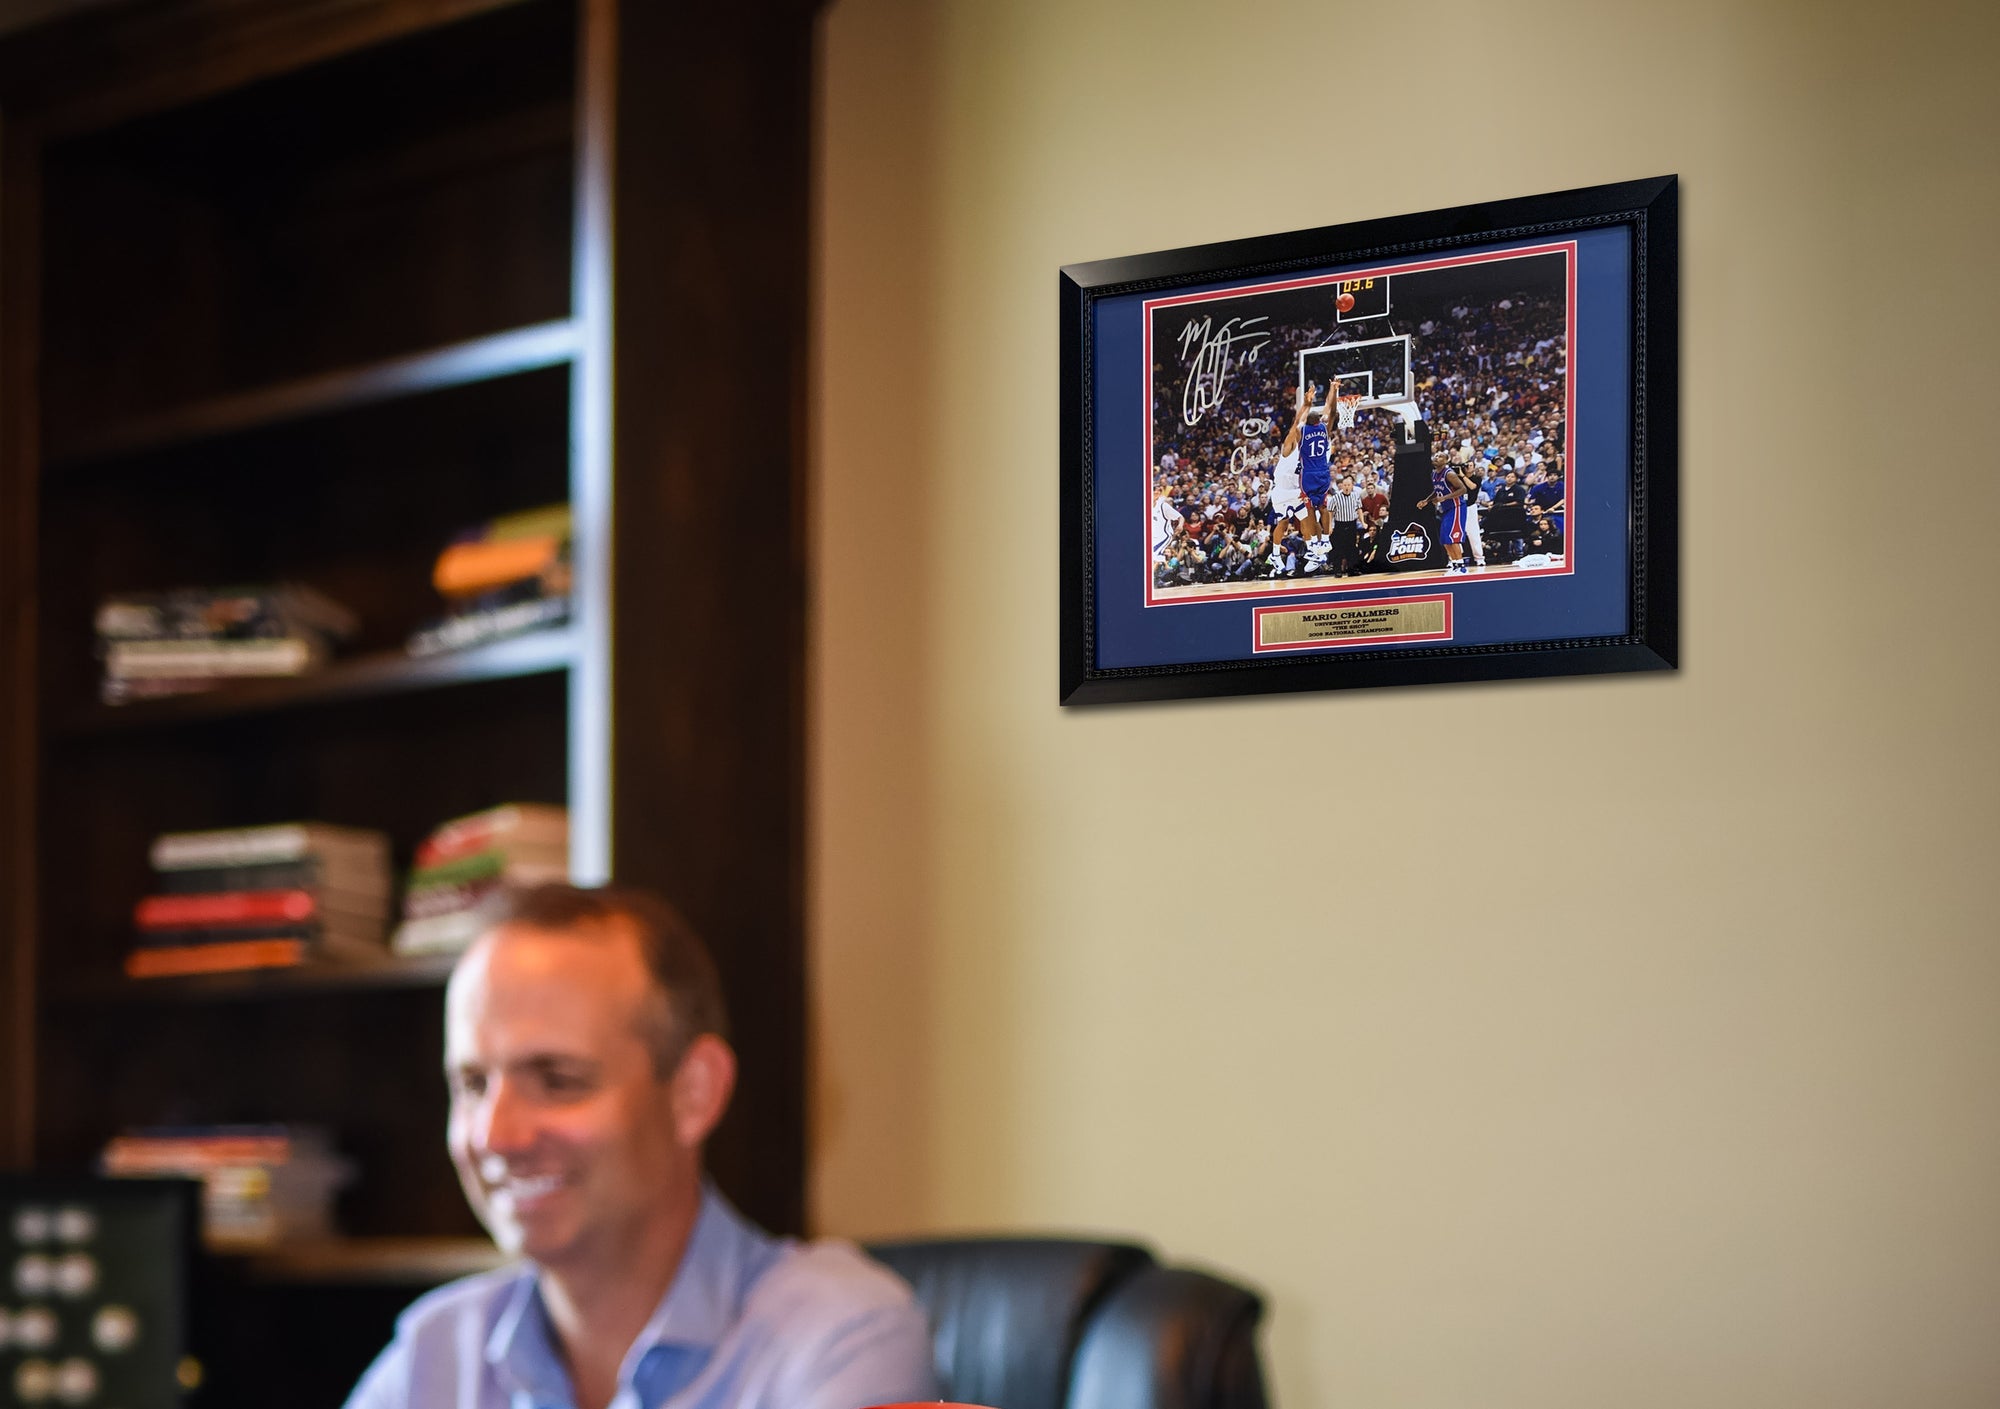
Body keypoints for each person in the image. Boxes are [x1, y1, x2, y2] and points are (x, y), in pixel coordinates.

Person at [344, 885, 937, 1409]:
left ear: (693, 1094)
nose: (494, 1137)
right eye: (473, 1084)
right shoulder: (437, 1352)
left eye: (557, 1080)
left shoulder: (840, 1337)